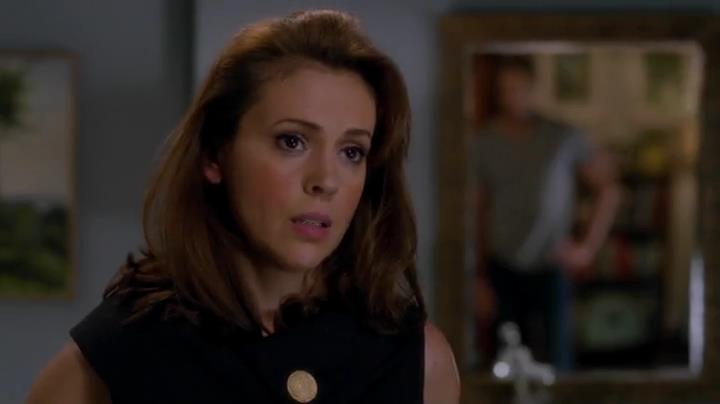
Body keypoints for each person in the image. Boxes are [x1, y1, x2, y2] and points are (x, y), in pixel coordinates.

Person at [26, 10, 460, 404]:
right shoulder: (117, 353)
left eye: (351, 152)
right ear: (215, 155)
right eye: (292, 141)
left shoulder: (420, 362)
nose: (326, 181)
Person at [473, 55, 621, 372]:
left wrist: (587, 249)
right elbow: (478, 210)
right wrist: (478, 275)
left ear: (532, 89)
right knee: (506, 364)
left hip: (551, 267)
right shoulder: (484, 142)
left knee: (558, 361)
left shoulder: (561, 137)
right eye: (506, 90)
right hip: (502, 268)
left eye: (520, 88)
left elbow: (609, 190)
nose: (513, 97)